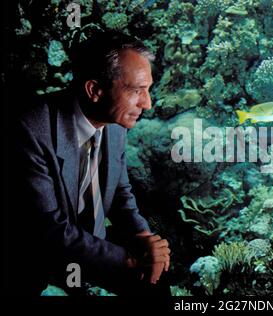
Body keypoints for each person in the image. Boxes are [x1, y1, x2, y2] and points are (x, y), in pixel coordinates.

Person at [6, 31, 171, 296]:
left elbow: (120, 194)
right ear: (94, 90)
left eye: (148, 90)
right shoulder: (31, 128)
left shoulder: (115, 125)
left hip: (90, 247)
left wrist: (144, 239)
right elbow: (50, 228)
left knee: (157, 281)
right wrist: (126, 260)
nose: (148, 104)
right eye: (137, 91)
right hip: (38, 257)